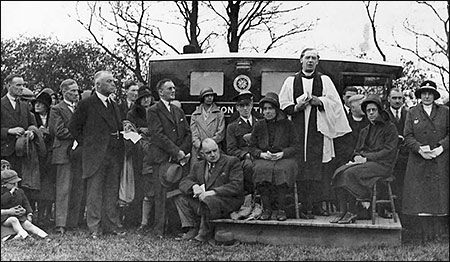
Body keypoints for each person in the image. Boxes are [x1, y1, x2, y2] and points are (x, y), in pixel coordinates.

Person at [279, 48, 351, 218]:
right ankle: (302, 206)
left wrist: (321, 101)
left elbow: (335, 103)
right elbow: (282, 103)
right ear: (301, 60)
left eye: (313, 58)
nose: (310, 61)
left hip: (319, 131)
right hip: (297, 130)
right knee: (300, 167)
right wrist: (297, 107)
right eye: (307, 58)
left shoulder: (325, 81)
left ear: (318, 62)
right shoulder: (290, 81)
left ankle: (317, 205)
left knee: (319, 168)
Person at [68, 71, 125, 239]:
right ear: (98, 85)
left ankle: (110, 226)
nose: (113, 84)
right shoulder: (86, 104)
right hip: (95, 156)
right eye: (109, 81)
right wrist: (88, 144)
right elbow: (73, 127)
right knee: (94, 192)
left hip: (113, 155)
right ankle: (94, 227)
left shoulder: (114, 104)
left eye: (113, 81)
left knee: (111, 192)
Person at [331, 94, 398, 224]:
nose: (371, 113)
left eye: (374, 110)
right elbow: (357, 150)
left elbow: (389, 151)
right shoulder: (365, 130)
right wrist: (356, 157)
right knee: (339, 172)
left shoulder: (390, 128)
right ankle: (343, 211)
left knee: (350, 173)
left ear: (379, 110)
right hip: (366, 164)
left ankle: (352, 211)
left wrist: (366, 158)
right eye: (368, 111)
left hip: (383, 165)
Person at [402, 80, 448, 242]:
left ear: (435, 96)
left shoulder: (445, 112)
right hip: (419, 160)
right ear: (420, 95)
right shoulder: (412, 112)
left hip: (439, 160)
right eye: (424, 93)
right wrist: (420, 150)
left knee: (438, 197)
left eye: (430, 93)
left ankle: (438, 235)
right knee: (420, 198)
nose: (427, 96)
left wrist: (440, 148)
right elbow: (408, 136)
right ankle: (422, 235)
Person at [174, 138, 244, 242]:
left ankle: (203, 235)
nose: (213, 154)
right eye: (208, 152)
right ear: (202, 154)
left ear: (218, 148)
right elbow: (184, 181)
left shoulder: (231, 161)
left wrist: (213, 192)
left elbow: (236, 185)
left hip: (226, 201)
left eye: (215, 150)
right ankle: (193, 228)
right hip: (205, 201)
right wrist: (194, 186)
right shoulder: (198, 166)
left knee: (208, 200)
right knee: (180, 198)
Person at [147, 78, 192, 237]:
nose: (173, 91)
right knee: (160, 195)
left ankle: (175, 229)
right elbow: (158, 135)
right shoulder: (153, 110)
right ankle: (159, 230)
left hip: (177, 160)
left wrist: (183, 151)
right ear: (160, 92)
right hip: (162, 159)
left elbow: (187, 133)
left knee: (175, 194)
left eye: (174, 88)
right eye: (169, 88)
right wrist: (176, 152)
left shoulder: (178, 110)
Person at [248, 92, 301, 221]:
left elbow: (296, 146)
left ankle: (281, 209)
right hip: (265, 158)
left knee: (281, 170)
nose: (267, 112)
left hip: (284, 158)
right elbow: (251, 147)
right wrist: (262, 154)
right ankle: (267, 209)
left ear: (276, 110)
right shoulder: (259, 125)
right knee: (260, 169)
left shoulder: (287, 124)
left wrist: (282, 153)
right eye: (264, 109)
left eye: (270, 108)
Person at [48, 79, 84, 234]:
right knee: (63, 189)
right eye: (73, 91)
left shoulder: (80, 108)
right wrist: (81, 133)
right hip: (63, 152)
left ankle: (73, 222)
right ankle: (60, 223)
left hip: (78, 152)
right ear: (64, 92)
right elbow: (58, 131)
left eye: (77, 91)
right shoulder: (56, 109)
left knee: (77, 187)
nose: (76, 94)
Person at [125, 87, 155, 230]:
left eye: (148, 97)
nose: (146, 100)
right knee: (138, 185)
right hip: (137, 151)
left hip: (153, 151)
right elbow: (130, 131)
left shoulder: (155, 110)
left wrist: (148, 131)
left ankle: (150, 219)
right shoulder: (132, 113)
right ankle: (134, 219)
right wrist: (140, 131)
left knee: (150, 185)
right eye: (143, 98)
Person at [226, 90, 263, 196]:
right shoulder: (232, 127)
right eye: (241, 106)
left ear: (251, 105)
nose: (245, 109)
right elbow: (231, 149)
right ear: (237, 108)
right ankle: (251, 196)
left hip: (260, 155)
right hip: (244, 158)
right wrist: (245, 155)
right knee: (249, 167)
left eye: (247, 105)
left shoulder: (260, 123)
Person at [1, 74, 37, 179]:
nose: (22, 88)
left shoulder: (24, 106)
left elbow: (32, 125)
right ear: (8, 86)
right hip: (5, 152)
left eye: (23, 85)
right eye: (18, 85)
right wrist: (8, 131)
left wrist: (31, 133)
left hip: (22, 152)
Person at [30, 91, 56, 227]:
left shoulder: (53, 116)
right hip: (36, 156)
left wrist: (48, 133)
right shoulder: (32, 117)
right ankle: (37, 216)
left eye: (41, 103)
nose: (37, 105)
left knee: (48, 186)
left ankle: (46, 215)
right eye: (36, 103)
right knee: (36, 187)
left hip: (50, 156)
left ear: (47, 106)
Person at [1, 169, 50, 241]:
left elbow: (26, 203)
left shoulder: (20, 192)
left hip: (18, 215)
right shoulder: (3, 194)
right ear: (4, 184)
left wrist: (29, 213)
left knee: (28, 224)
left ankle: (44, 236)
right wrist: (10, 193)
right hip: (4, 217)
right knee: (13, 220)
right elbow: (3, 201)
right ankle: (24, 235)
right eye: (12, 184)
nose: (15, 185)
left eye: (16, 183)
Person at [384, 88, 408, 218]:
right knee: (388, 183)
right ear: (389, 99)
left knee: (403, 184)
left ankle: (402, 212)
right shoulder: (383, 115)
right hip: (388, 156)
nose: (397, 101)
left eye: (400, 98)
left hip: (405, 156)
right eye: (394, 98)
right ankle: (386, 210)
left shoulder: (408, 114)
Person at [190, 87, 225, 168]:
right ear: (202, 98)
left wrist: (209, 145)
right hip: (198, 151)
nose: (210, 98)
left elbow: (220, 133)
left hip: (214, 149)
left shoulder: (219, 114)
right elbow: (194, 135)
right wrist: (201, 147)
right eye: (207, 96)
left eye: (211, 96)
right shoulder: (195, 115)